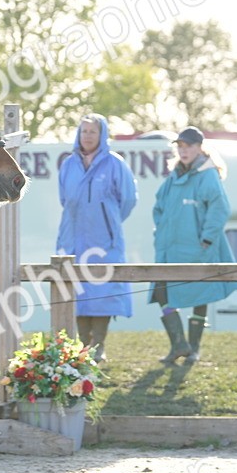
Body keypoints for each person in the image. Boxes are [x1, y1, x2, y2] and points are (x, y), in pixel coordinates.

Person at [150, 126, 237, 366]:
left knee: (202, 292)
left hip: (198, 247)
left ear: (200, 147)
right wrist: (161, 231)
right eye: (180, 146)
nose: (184, 150)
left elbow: (220, 208)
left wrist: (208, 238)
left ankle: (194, 349)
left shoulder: (208, 175)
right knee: (161, 291)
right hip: (169, 247)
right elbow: (158, 206)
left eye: (188, 146)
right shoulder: (174, 176)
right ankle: (179, 344)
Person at [55, 113, 138, 363]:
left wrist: (108, 221)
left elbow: (129, 199)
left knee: (103, 293)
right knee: (77, 291)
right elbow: (64, 199)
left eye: (92, 131)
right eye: (83, 131)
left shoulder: (115, 164)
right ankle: (82, 347)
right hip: (73, 237)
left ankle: (99, 346)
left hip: (104, 241)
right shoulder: (69, 164)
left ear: (102, 135)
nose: (87, 136)